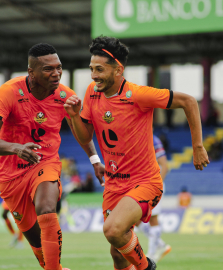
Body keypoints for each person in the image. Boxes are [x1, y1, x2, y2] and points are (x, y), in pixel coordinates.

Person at [64, 36, 209, 270]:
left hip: (145, 182)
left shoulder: (138, 95)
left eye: (100, 69)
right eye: (91, 69)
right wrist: (73, 116)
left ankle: (146, 267)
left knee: (113, 230)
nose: (94, 75)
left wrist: (198, 146)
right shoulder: (92, 92)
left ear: (118, 70)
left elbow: (189, 101)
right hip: (114, 184)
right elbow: (85, 137)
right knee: (118, 253)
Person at [0, 43, 105, 270]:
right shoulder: (9, 91)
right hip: (10, 175)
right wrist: (17, 148)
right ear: (32, 73)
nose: (56, 73)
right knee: (40, 249)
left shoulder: (66, 96)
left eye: (59, 68)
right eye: (49, 69)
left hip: (45, 162)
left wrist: (95, 160)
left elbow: (81, 133)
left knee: (47, 208)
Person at [136, 135, 171, 262]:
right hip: (140, 185)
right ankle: (160, 245)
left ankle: (151, 255)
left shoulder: (153, 140)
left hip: (153, 185)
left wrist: (156, 186)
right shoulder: (136, 137)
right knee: (136, 220)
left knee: (153, 219)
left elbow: (164, 166)